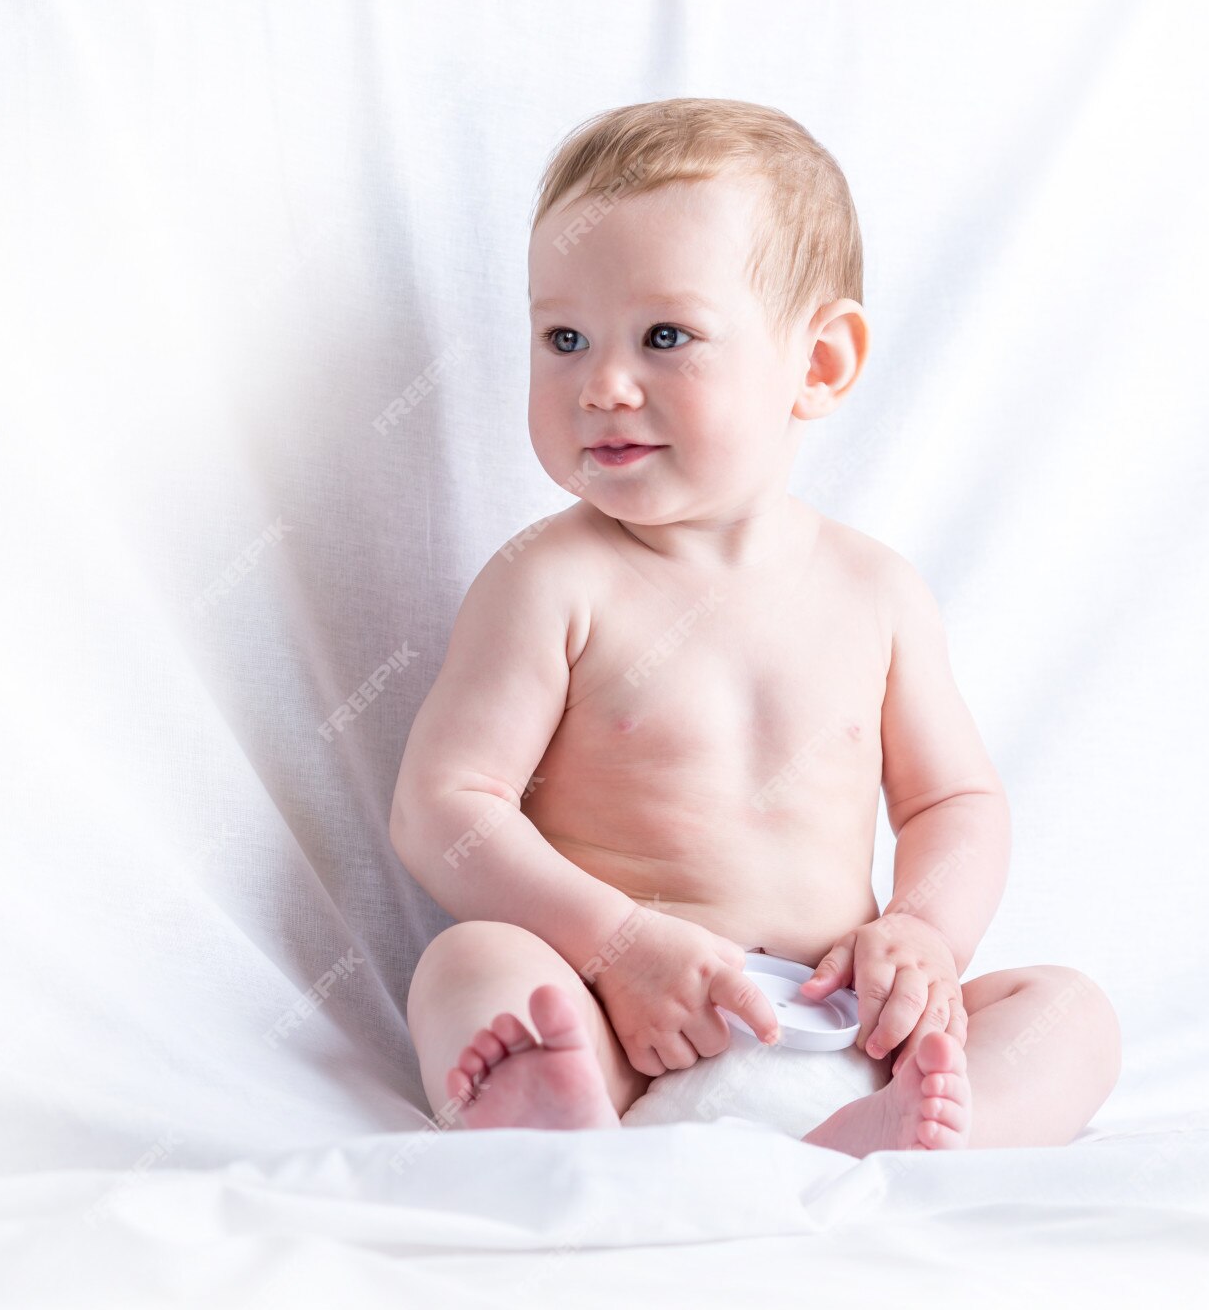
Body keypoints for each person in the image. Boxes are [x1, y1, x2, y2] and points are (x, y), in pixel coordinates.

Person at [389, 98, 1120, 1155]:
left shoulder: (876, 591)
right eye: (563, 337)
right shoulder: (547, 580)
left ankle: (909, 1129)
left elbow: (954, 799)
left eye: (665, 336)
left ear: (818, 365)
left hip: (838, 1027)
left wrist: (920, 932)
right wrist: (615, 945)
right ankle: (553, 1112)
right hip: (623, 1019)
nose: (600, 384)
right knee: (469, 970)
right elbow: (441, 809)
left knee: (1069, 1014)